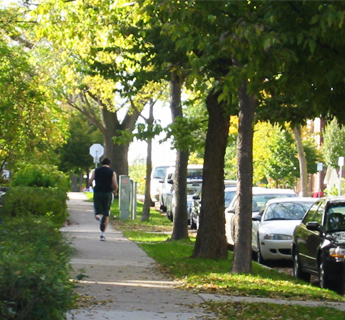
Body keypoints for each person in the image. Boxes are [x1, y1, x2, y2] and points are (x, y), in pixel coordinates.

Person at [89, 157, 118, 241]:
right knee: (106, 212)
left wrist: (93, 187)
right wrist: (115, 191)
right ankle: (103, 234)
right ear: (109, 163)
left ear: (101, 163)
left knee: (98, 209)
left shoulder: (96, 170)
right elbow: (115, 184)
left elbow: (90, 181)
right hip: (107, 193)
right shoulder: (112, 172)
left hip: (98, 192)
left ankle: (98, 215)